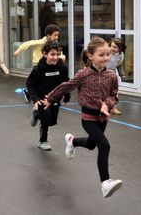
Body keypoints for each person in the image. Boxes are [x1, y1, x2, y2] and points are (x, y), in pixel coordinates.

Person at [42, 37, 123, 198]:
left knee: (91, 144)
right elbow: (65, 87)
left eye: (108, 54)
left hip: (102, 118)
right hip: (88, 118)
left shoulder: (111, 76)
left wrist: (108, 104)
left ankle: (72, 141)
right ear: (91, 56)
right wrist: (50, 99)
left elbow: (114, 96)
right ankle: (105, 183)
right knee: (104, 146)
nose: (106, 58)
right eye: (101, 55)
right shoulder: (83, 74)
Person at [26, 40, 70, 150]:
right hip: (41, 97)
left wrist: (66, 94)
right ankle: (43, 141)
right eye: (52, 54)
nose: (55, 57)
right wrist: (36, 100)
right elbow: (30, 84)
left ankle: (36, 115)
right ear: (45, 54)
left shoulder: (62, 68)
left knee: (51, 121)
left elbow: (65, 82)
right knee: (46, 119)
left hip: (55, 98)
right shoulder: (38, 69)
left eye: (57, 54)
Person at [13, 24, 65, 102]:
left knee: (47, 80)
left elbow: (59, 52)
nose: (57, 37)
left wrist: (62, 57)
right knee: (37, 81)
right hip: (38, 64)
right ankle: (30, 92)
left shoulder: (56, 45)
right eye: (55, 35)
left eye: (57, 35)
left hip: (48, 65)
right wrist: (19, 50)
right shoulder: (41, 42)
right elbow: (28, 43)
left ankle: (45, 96)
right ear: (48, 36)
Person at [107, 38, 126, 115]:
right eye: (111, 46)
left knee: (114, 91)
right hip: (104, 73)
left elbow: (119, 65)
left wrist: (122, 74)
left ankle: (113, 107)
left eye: (115, 47)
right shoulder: (106, 52)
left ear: (119, 49)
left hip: (113, 74)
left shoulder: (120, 55)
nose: (112, 48)